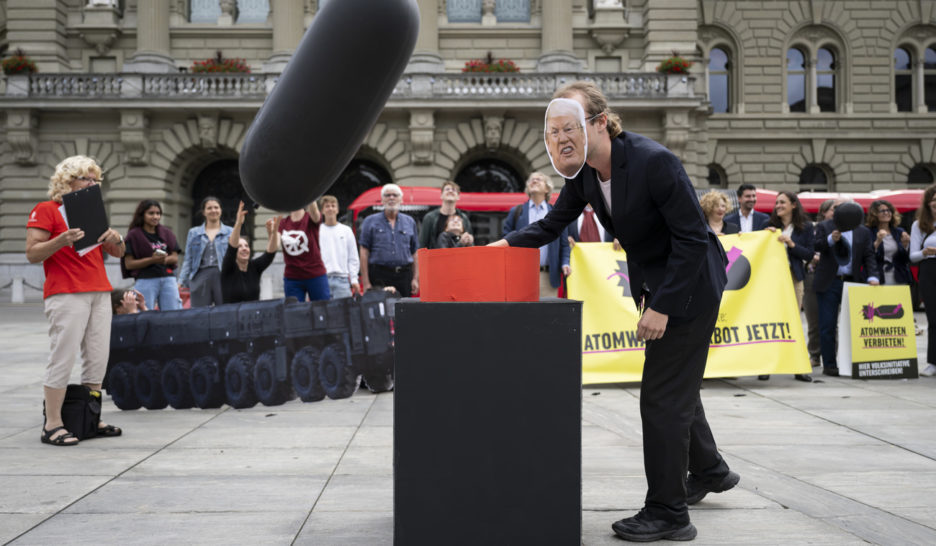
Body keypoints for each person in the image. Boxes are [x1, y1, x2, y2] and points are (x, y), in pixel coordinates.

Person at [490, 81, 737, 542]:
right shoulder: (584, 174)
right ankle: (710, 469)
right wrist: (498, 246)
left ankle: (669, 513)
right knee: (676, 385)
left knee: (661, 400)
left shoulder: (654, 161)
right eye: (555, 129)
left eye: (571, 125)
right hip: (658, 282)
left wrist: (662, 306)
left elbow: (688, 238)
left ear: (601, 122)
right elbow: (550, 224)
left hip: (691, 287)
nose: (562, 137)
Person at [25, 155, 125, 446]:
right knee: (63, 356)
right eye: (87, 179)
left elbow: (118, 253)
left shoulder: (92, 210)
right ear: (68, 181)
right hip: (66, 291)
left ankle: (91, 418)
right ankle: (52, 424)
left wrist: (116, 238)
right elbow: (32, 253)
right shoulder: (47, 210)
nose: (93, 184)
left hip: (99, 290)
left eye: (95, 180)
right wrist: (61, 240)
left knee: (97, 358)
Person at [813, 201, 880, 377]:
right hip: (830, 282)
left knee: (855, 325)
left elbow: (868, 255)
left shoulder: (863, 231)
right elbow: (815, 246)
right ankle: (829, 365)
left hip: (853, 282)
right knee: (827, 325)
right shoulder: (824, 226)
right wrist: (830, 240)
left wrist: (873, 277)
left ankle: (852, 362)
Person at [760, 191, 815, 382]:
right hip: (772, 279)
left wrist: (791, 243)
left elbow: (809, 254)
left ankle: (798, 367)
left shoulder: (805, 228)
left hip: (794, 277)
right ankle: (766, 365)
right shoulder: (769, 226)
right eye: (776, 203)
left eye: (782, 202)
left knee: (794, 322)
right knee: (770, 321)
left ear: (793, 205)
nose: (778, 206)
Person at [502, 172, 571, 298]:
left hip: (548, 277)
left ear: (547, 188)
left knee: (547, 316)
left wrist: (565, 263)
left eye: (539, 179)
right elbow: (506, 239)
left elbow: (564, 244)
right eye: (531, 180)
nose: (534, 181)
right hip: (520, 276)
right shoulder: (516, 212)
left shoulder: (556, 212)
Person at [359, 183, 420, 297]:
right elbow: (364, 251)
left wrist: (415, 279)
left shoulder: (410, 222)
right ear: (382, 200)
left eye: (395, 195)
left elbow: (415, 253)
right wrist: (366, 282)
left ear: (401, 199)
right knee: (381, 312)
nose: (391, 198)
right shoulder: (370, 221)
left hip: (404, 275)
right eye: (387, 195)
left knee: (404, 311)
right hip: (379, 275)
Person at [122, 199, 182, 311]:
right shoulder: (133, 235)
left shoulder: (166, 232)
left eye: (158, 213)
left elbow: (174, 257)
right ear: (142, 215)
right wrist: (152, 260)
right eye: (151, 213)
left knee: (174, 313)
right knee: (143, 313)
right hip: (146, 279)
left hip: (168, 278)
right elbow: (129, 264)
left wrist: (162, 260)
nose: (155, 216)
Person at [221, 201, 281, 304]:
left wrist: (273, 233)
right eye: (240, 246)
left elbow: (270, 254)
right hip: (231, 316)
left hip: (252, 315)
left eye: (246, 246)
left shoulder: (254, 267)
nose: (244, 248)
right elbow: (232, 248)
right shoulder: (229, 268)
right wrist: (239, 223)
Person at [803, 199, 839, 368]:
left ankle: (833, 355)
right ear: (824, 212)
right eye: (833, 209)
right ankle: (815, 354)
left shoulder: (842, 228)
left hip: (833, 276)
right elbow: (808, 248)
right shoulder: (813, 228)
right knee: (814, 319)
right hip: (812, 275)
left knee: (831, 320)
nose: (836, 212)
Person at [180, 196, 232, 307]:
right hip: (200, 276)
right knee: (199, 313)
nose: (213, 210)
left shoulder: (230, 232)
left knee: (225, 310)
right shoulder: (194, 233)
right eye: (209, 208)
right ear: (204, 212)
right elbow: (188, 259)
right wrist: (181, 281)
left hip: (223, 276)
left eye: (216, 207)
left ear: (221, 210)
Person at [278, 200, 329, 302]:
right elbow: (275, 245)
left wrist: (309, 191)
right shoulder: (283, 223)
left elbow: (315, 214)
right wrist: (272, 232)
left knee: (322, 312)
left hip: (315, 275)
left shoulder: (310, 218)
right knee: (294, 314)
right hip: (292, 278)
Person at [909, 185, 936, 377]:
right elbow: (913, 256)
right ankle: (933, 362)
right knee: (933, 319)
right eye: (934, 199)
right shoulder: (919, 225)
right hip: (929, 270)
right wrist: (925, 252)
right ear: (928, 203)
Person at [318, 195, 361, 299]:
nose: (330, 209)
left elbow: (353, 257)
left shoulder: (346, 230)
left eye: (333, 206)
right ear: (322, 210)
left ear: (337, 209)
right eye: (327, 206)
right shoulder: (317, 231)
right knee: (322, 313)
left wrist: (354, 279)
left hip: (342, 280)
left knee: (343, 313)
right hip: (321, 279)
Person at [867, 199, 912, 287]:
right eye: (882, 211)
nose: (886, 213)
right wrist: (878, 241)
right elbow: (867, 256)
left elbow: (906, 259)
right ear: (874, 214)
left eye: (888, 210)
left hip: (900, 278)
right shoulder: (869, 232)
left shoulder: (899, 232)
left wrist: (905, 245)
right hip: (878, 279)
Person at [418, 181, 474, 249]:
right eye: (447, 189)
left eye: (453, 190)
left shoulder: (464, 218)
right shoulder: (430, 218)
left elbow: (470, 246)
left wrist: (470, 241)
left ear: (458, 196)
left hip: (459, 258)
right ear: (441, 195)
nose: (450, 191)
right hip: (435, 258)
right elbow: (422, 244)